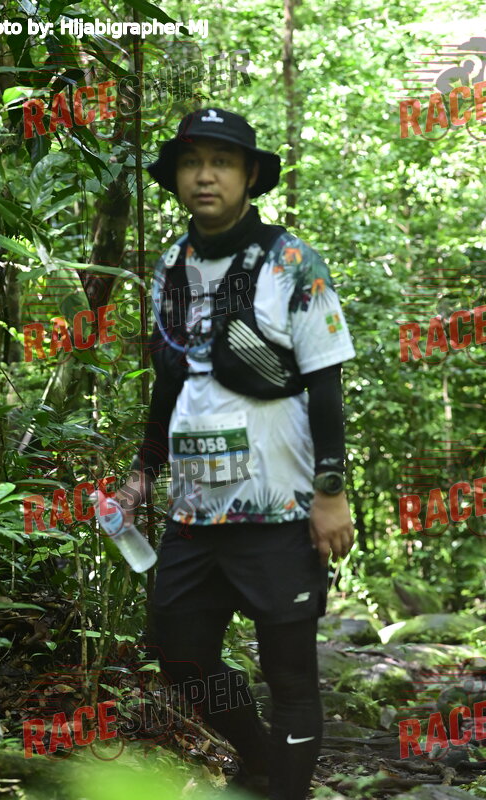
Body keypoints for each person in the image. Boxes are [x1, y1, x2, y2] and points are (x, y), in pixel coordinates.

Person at [117, 108, 355, 800]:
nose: (205, 176)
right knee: (180, 654)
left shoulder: (291, 261)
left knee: (289, 674)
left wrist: (330, 492)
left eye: (221, 162)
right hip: (195, 513)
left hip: (281, 508)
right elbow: (169, 382)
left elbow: (325, 382)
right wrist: (142, 475)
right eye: (192, 163)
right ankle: (256, 758)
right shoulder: (171, 265)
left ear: (249, 174)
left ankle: (285, 789)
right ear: (176, 177)